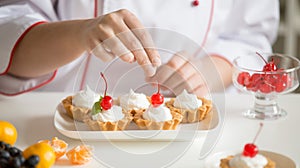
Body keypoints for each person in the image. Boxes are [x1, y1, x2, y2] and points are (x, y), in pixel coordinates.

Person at [0, 0, 279, 96]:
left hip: (186, 131)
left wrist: (209, 70)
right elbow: (8, 25)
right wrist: (79, 33)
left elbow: (249, 37)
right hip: (59, 123)